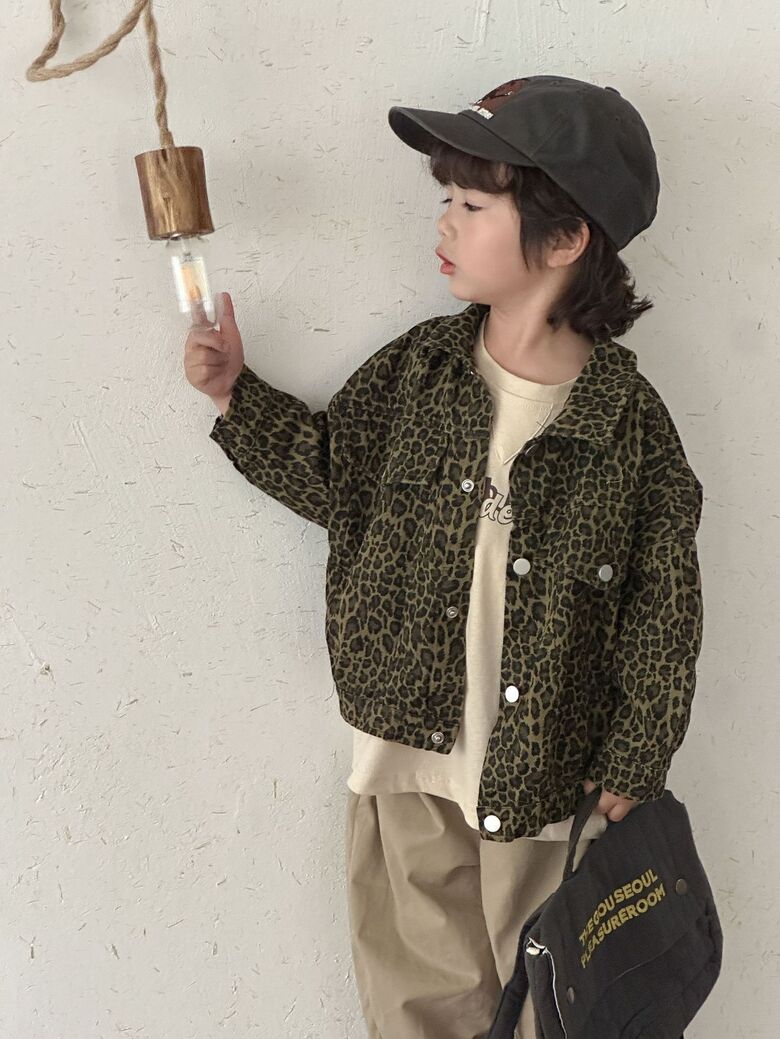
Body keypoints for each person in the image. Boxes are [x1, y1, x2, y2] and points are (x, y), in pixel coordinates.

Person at [183, 75, 704, 1039]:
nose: (445, 222)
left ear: (565, 237)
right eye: (447, 198)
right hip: (407, 765)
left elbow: (664, 608)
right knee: (418, 1005)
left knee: (554, 1006)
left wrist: (638, 756)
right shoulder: (419, 371)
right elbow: (334, 474)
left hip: (550, 786)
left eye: (473, 204)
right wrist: (232, 394)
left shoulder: (627, 425)